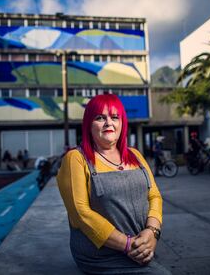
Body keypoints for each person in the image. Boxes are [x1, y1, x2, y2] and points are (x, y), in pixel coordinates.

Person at [57, 94, 169, 274]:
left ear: (122, 123)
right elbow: (81, 213)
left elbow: (154, 195)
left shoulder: (135, 156)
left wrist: (152, 232)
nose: (109, 123)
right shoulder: (76, 159)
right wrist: (128, 245)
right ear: (88, 125)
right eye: (100, 118)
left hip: (142, 245)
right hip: (102, 255)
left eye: (114, 117)